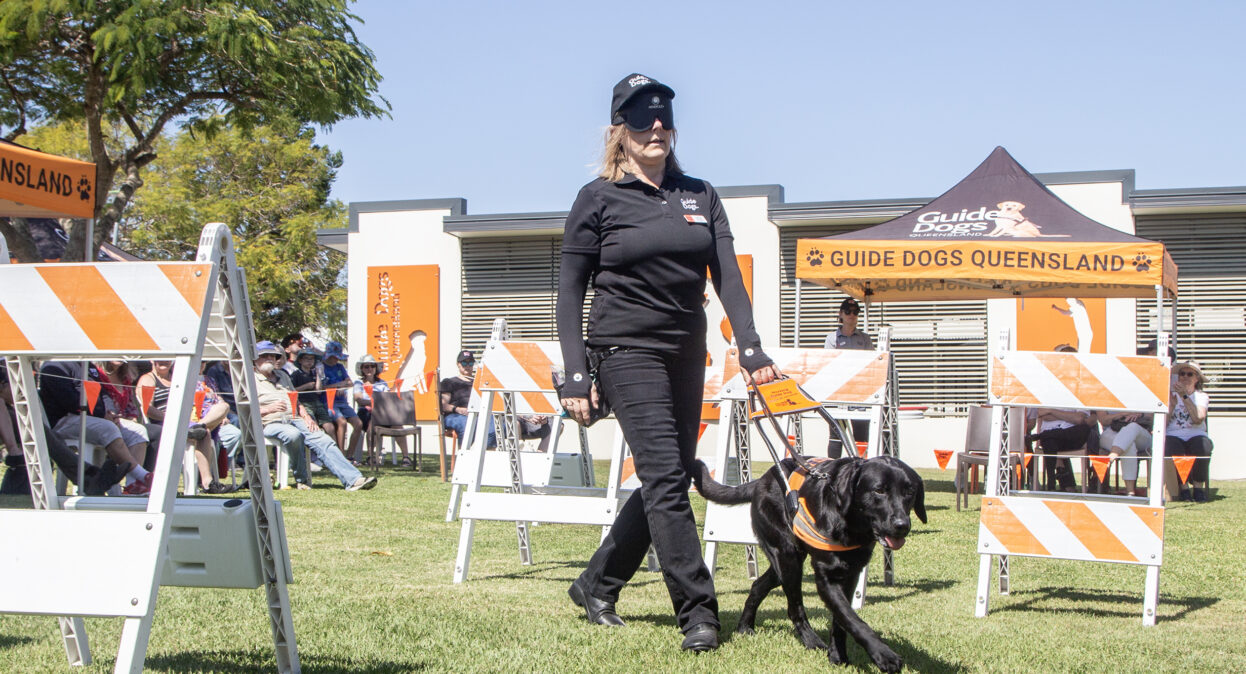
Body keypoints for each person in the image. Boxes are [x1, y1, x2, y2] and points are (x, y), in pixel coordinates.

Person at [555, 73, 779, 653]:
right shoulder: (597, 198)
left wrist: (750, 348)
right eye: (639, 119)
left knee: (671, 474)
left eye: (663, 118)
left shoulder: (700, 195)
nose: (655, 127)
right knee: (665, 478)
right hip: (624, 349)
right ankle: (699, 612)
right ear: (618, 133)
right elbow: (569, 290)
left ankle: (596, 584)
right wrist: (577, 373)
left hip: (685, 348)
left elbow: (727, 276)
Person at [252, 341, 377, 492]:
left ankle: (354, 480)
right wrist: (268, 409)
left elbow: (296, 400)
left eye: (272, 356)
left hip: (295, 418)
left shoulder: (282, 376)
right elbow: (245, 409)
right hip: (270, 421)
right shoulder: (250, 379)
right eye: (264, 356)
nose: (269, 359)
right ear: (255, 358)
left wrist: (306, 416)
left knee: (322, 438)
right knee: (293, 435)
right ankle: (302, 479)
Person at [38, 360, 153, 494]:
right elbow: (69, 401)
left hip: (94, 417)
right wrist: (101, 414)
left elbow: (104, 394)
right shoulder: (53, 366)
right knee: (108, 428)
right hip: (65, 420)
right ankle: (142, 476)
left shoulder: (88, 366)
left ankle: (133, 486)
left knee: (138, 431)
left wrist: (111, 413)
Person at [137, 360, 235, 494]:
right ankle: (207, 482)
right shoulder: (148, 379)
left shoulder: (178, 377)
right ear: (152, 360)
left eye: (167, 359)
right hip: (165, 423)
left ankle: (207, 482)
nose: (163, 362)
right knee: (203, 432)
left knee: (206, 427)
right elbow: (147, 409)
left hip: (188, 420)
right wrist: (172, 418)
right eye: (159, 358)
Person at [823, 297, 873, 456]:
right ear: (841, 314)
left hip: (859, 394)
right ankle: (832, 472)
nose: (852, 315)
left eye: (855, 312)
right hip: (838, 393)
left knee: (861, 438)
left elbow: (871, 365)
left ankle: (861, 471)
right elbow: (829, 365)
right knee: (836, 436)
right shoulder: (832, 339)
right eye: (848, 312)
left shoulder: (865, 339)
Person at [1166, 360, 1213, 502]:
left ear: (1196, 378)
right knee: (1172, 447)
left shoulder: (1201, 396)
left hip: (1196, 434)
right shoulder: (1170, 395)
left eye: (1189, 374)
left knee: (1203, 446)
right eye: (1182, 374)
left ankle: (1198, 488)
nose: (1185, 377)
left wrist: (1185, 396)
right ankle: (1184, 488)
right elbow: (1163, 423)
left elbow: (1198, 418)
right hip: (1173, 433)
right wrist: (1171, 407)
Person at [354, 354, 412, 467]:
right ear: (362, 369)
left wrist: (379, 402)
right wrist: (376, 402)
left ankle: (406, 457)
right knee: (372, 425)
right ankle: (371, 457)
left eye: (372, 366)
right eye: (366, 366)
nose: (369, 369)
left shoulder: (382, 383)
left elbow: (388, 398)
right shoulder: (359, 383)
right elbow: (359, 400)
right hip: (366, 413)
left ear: (376, 368)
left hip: (383, 412)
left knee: (397, 425)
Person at [439, 350, 495, 449]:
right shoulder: (449, 381)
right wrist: (458, 409)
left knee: (493, 425)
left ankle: (485, 457)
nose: (467, 365)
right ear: (458, 364)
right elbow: (443, 405)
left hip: (478, 414)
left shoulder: (480, 382)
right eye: (464, 362)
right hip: (456, 414)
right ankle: (464, 458)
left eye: (470, 363)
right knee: (467, 425)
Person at [321, 341, 364, 461]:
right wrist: (337, 386)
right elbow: (320, 388)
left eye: (337, 357)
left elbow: (350, 382)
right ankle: (341, 455)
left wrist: (340, 386)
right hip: (328, 402)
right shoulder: (321, 367)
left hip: (342, 402)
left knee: (358, 424)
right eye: (333, 357)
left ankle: (350, 455)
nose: (335, 359)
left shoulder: (340, 367)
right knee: (342, 422)